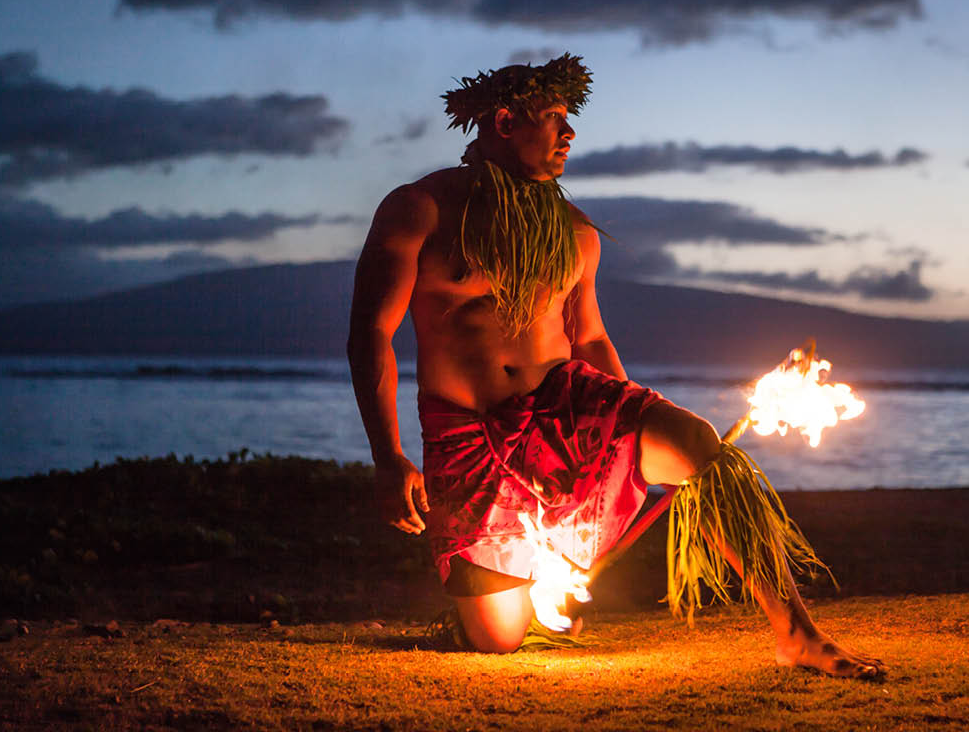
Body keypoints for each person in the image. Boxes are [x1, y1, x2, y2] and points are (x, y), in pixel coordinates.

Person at [348, 54, 883, 677]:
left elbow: (591, 338)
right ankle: (510, 604)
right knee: (498, 638)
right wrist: (388, 456)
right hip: (469, 429)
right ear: (502, 121)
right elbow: (371, 335)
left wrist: (625, 440)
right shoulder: (421, 209)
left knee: (696, 444)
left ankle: (797, 632)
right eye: (553, 119)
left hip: (564, 405)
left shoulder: (574, 232)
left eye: (569, 120)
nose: (569, 134)